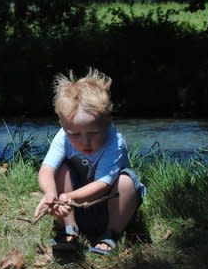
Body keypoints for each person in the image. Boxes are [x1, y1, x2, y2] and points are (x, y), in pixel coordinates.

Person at [34, 68, 146, 255]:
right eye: (75, 134)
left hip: (110, 209)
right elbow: (46, 169)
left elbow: (103, 184)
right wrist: (50, 193)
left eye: (93, 133)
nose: (85, 142)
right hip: (73, 210)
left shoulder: (115, 142)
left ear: (108, 122)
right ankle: (70, 229)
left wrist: (71, 197)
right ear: (63, 126)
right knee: (61, 170)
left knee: (126, 181)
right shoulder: (62, 137)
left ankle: (111, 233)